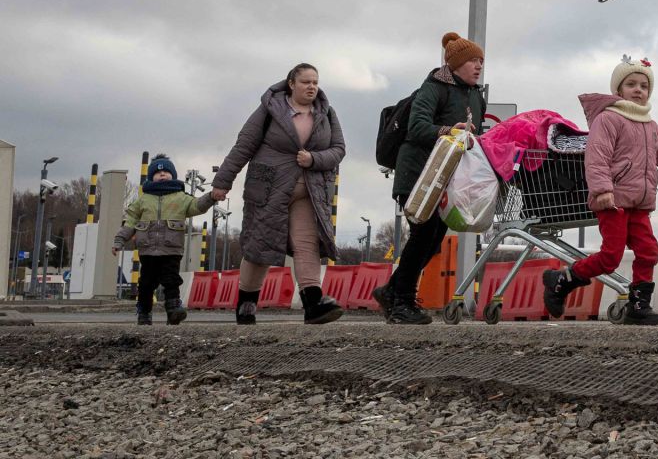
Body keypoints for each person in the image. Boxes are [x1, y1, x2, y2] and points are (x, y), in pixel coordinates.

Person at [541, 56, 658, 325]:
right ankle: (562, 279)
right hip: (613, 201)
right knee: (610, 257)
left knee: (649, 251)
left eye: (644, 86)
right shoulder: (608, 119)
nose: (638, 90)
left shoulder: (651, 126)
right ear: (618, 90)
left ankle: (639, 306)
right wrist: (603, 189)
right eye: (631, 84)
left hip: (640, 204)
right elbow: (597, 156)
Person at [212, 63, 347, 325]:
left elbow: (339, 149)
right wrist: (223, 181)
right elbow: (244, 145)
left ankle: (313, 303)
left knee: (306, 243)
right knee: (259, 246)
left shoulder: (326, 113)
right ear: (291, 84)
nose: (312, 87)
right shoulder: (270, 110)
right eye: (306, 82)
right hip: (268, 190)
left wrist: (314, 159)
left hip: (308, 190)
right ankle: (247, 303)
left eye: (315, 82)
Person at [373, 32, 486, 324]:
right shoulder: (433, 88)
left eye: (481, 61)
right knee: (424, 234)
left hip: (446, 177)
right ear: (456, 64)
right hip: (418, 175)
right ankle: (401, 302)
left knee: (433, 239)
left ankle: (392, 292)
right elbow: (417, 127)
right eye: (473, 61)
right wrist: (449, 130)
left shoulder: (474, 93)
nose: (478, 66)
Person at [113, 154, 215, 325]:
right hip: (148, 250)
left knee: (171, 280)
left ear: (173, 175)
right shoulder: (143, 200)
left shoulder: (181, 197)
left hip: (171, 249)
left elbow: (197, 206)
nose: (163, 174)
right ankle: (144, 312)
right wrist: (119, 240)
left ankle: (174, 310)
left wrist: (211, 197)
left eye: (167, 172)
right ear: (151, 177)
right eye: (158, 172)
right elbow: (130, 221)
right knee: (146, 283)